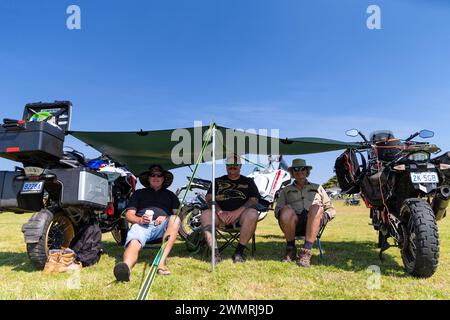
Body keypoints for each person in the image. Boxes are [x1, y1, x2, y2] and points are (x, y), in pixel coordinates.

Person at [113, 165, 180, 281]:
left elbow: (180, 216)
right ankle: (125, 267)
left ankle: (161, 263)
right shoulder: (139, 193)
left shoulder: (171, 195)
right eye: (152, 175)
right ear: (148, 178)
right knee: (134, 241)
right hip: (141, 225)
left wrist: (166, 217)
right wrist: (139, 220)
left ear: (163, 179)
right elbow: (129, 215)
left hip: (162, 228)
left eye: (159, 175)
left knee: (175, 219)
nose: (156, 177)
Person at [275, 158, 336, 267]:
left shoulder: (318, 187)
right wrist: (285, 211)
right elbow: (277, 210)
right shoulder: (286, 190)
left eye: (302, 168)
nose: (299, 171)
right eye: (296, 169)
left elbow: (331, 209)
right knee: (286, 210)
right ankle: (291, 249)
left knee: (316, 207)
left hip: (314, 221)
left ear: (307, 171)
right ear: (292, 173)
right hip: (294, 223)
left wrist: (324, 216)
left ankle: (306, 252)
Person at [200, 154, 260, 263]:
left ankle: (239, 253)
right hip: (219, 217)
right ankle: (215, 253)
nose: (232, 166)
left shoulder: (248, 181)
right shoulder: (217, 181)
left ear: (240, 166)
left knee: (252, 213)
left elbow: (254, 200)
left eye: (235, 164)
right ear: (226, 166)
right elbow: (209, 198)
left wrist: (237, 212)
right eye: (229, 164)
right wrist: (219, 212)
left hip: (241, 218)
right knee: (205, 214)